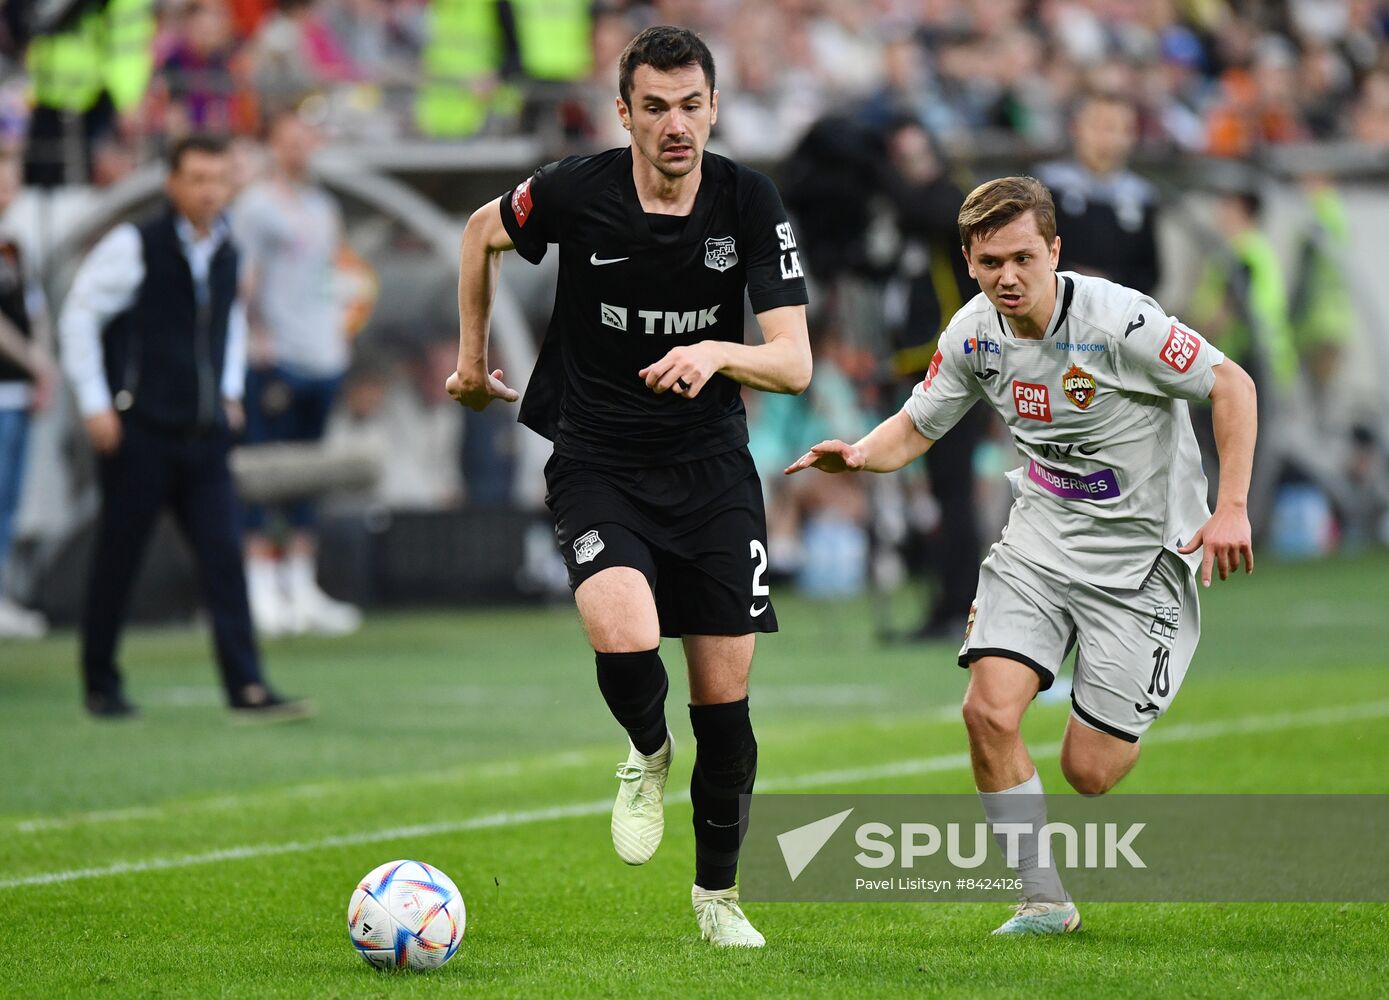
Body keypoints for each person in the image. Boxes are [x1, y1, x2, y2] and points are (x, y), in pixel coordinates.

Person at [786, 176, 1257, 935]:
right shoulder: (972, 333)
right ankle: (1043, 900)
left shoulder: (1119, 321)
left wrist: (1230, 507)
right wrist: (861, 453)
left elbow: (1230, 385)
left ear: (1053, 252)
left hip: (1139, 562)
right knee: (986, 711)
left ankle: (1110, 678)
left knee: (1089, 774)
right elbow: (916, 424)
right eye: (986, 261)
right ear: (968, 260)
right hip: (1038, 540)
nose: (1005, 276)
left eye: (1020, 258)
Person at [446, 26, 810, 947]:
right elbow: (480, 233)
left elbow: (795, 363)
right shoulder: (576, 188)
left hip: (712, 470)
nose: (674, 124)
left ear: (714, 108)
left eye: (691, 105)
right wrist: (469, 360)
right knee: (625, 634)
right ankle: (646, 755)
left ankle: (717, 901)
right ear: (625, 114)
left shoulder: (747, 198)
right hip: (597, 457)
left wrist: (715, 351)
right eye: (654, 107)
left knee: (724, 709)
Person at [58, 134, 311, 721]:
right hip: (140, 431)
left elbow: (229, 326)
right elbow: (79, 317)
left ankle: (246, 686)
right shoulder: (134, 245)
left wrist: (226, 393)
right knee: (118, 559)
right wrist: (97, 403)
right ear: (171, 183)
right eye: (195, 179)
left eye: (216, 179)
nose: (206, 191)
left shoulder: (228, 250)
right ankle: (101, 684)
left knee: (225, 561)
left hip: (202, 438)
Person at [235, 107, 360, 636]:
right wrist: (257, 339)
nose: (298, 148)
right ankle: (262, 587)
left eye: (305, 138)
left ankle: (301, 584)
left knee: (308, 473)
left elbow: (333, 278)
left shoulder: (323, 206)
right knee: (265, 473)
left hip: (320, 355)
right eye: (288, 138)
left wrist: (335, 336)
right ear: (272, 144)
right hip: (276, 355)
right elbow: (243, 280)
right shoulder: (256, 207)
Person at [0, 150, 55, 638]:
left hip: (17, 393)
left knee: (9, 497)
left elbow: (34, 310)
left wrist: (44, 369)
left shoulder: (15, 246)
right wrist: (36, 362)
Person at [1036, 91, 1161, 295]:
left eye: (1118, 129)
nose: (1107, 138)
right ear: (1077, 129)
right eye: (1099, 126)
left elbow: (1150, 273)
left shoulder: (1140, 197)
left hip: (1116, 312)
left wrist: (1109, 283)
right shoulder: (1046, 188)